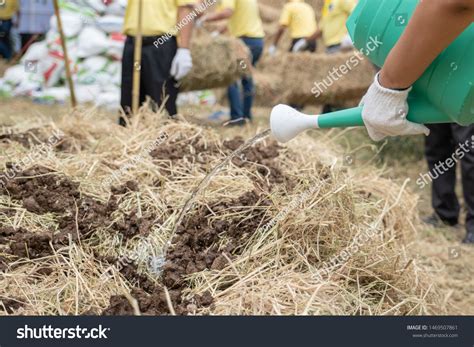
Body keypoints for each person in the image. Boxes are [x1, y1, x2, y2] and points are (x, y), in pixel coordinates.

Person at [359, 0, 474, 243]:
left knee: (468, 151)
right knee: (436, 144)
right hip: (438, 71)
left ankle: (473, 223)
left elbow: (455, 3)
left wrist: (388, 86)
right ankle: (445, 213)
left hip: (465, 74)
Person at [119, 0, 196, 125]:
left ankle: (165, 140)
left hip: (161, 43)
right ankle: (129, 138)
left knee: (162, 99)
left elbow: (185, 9)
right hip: (133, 42)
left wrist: (184, 49)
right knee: (129, 100)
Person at [200, 0, 265, 125]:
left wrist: (205, 18)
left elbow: (228, 12)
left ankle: (236, 118)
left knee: (232, 78)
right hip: (257, 42)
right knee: (247, 79)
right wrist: (218, 32)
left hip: (244, 43)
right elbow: (236, 19)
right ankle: (246, 117)